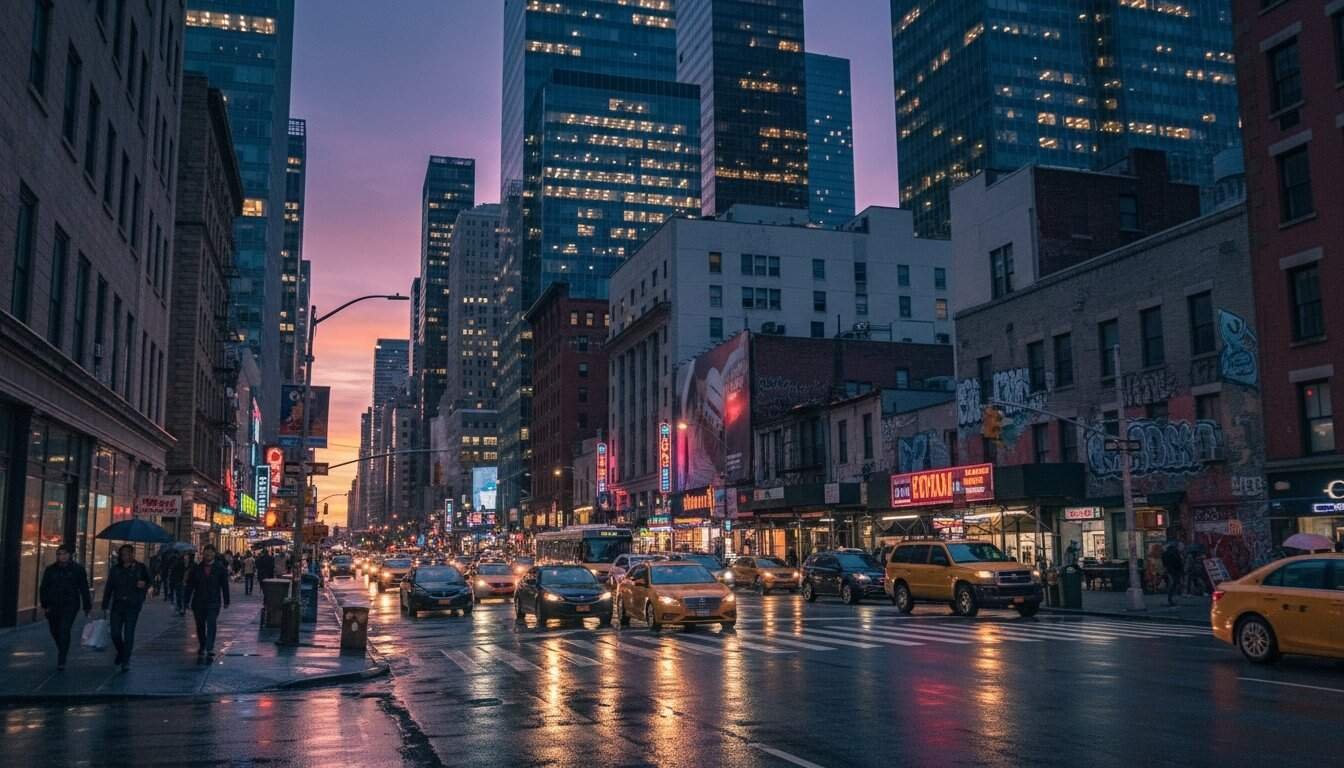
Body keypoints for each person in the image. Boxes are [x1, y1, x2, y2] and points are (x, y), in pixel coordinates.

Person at [39, 545, 92, 670]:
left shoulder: (78, 570)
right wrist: (45, 604)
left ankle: (62, 657)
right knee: (54, 630)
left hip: (70, 605)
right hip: (53, 605)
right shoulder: (51, 569)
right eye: (59, 554)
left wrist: (87, 606)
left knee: (64, 629)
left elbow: (84, 588)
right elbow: (44, 588)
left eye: (64, 554)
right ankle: (62, 648)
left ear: (70, 555)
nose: (61, 556)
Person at [101, 544, 150, 672]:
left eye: (128, 553)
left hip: (133, 605)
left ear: (133, 554)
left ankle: (126, 660)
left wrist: (143, 585)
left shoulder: (140, 568)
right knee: (115, 633)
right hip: (118, 604)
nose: (125, 556)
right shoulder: (115, 569)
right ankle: (121, 652)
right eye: (123, 554)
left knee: (129, 634)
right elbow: (109, 587)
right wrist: (105, 604)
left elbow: (149, 581)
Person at [187, 545, 231, 658]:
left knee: (211, 623)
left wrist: (226, 600)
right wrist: (186, 601)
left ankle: (209, 646)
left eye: (210, 553)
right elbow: (190, 585)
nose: (208, 555)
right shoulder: (197, 568)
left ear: (214, 554)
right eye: (206, 553)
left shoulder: (220, 568)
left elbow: (224, 585)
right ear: (203, 554)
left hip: (213, 601)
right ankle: (202, 644)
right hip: (198, 602)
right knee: (200, 625)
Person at [1161, 541, 1184, 607]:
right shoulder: (1175, 552)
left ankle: (1170, 599)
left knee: (1172, 584)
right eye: (1181, 546)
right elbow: (1178, 562)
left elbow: (1164, 562)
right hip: (1175, 571)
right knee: (1174, 584)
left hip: (1170, 570)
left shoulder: (1166, 553)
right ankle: (1171, 599)